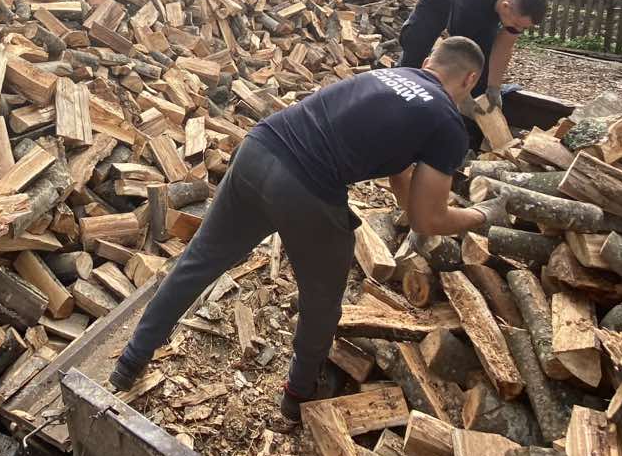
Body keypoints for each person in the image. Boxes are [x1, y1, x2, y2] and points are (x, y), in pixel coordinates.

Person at [108, 36, 499, 420]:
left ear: (431, 62)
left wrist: (411, 203)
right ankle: (298, 396)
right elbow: (426, 219)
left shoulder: (394, 77)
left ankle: (129, 362)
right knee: (321, 300)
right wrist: (482, 215)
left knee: (198, 262)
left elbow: (401, 173)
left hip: (259, 149)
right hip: (306, 187)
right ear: (469, 80)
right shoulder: (448, 122)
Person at [398, 0, 547, 101]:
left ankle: (478, 101)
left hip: (485, 1)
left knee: (483, 56)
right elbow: (456, 51)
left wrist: (493, 87)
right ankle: (401, 86)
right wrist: (459, 96)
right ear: (505, 7)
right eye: (516, 25)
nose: (518, 30)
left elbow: (503, 47)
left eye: (523, 27)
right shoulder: (469, 6)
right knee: (416, 41)